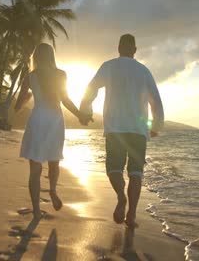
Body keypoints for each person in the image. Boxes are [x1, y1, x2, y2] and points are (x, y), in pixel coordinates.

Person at [80, 34, 164, 228]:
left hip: (115, 128)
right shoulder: (144, 71)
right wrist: (156, 126)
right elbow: (156, 101)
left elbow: (91, 88)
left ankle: (121, 196)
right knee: (136, 173)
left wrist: (86, 109)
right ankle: (131, 216)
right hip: (137, 130)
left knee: (114, 169)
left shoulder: (109, 66)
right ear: (134, 50)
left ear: (118, 48)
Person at [15, 43, 90, 220]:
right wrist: (80, 115)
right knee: (54, 160)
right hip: (55, 119)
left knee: (35, 169)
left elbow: (18, 106)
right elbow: (65, 99)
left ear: (36, 57)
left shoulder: (30, 77)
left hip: (38, 118)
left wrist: (25, 99)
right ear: (51, 56)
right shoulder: (61, 74)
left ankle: (36, 210)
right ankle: (53, 191)